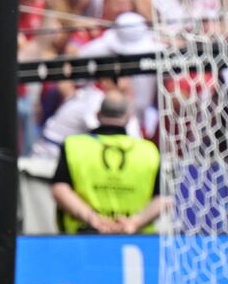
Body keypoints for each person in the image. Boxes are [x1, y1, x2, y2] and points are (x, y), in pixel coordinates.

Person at [50, 92, 164, 234]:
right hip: (137, 238)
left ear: (97, 115)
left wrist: (93, 218)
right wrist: (135, 222)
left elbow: (60, 189)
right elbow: (163, 198)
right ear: (128, 118)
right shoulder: (149, 150)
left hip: (84, 236)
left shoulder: (74, 145)